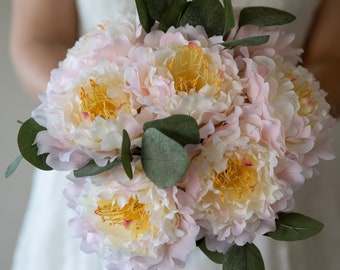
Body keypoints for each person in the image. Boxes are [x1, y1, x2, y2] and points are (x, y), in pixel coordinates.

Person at [9, 0, 340, 269]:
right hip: (107, 170)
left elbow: (331, 59)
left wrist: (253, 115)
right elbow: (38, 39)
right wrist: (110, 120)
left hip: (259, 173)